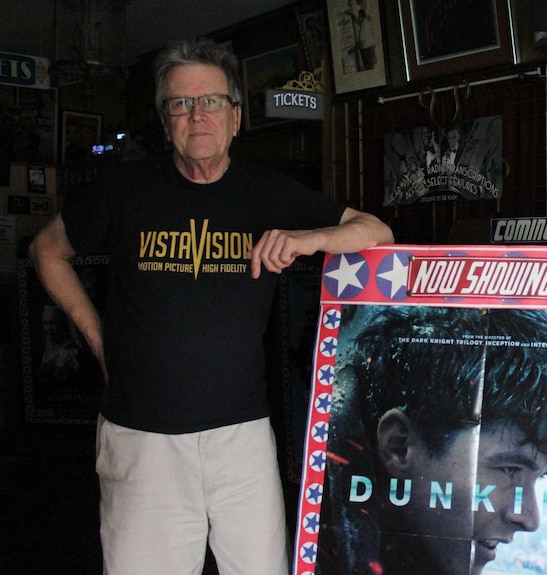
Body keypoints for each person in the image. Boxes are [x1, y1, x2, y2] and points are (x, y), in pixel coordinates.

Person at [28, 38, 393, 574]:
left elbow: (377, 234)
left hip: (240, 440)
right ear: (165, 119)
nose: (197, 114)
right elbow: (46, 252)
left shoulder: (267, 192)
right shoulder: (124, 188)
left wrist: (307, 238)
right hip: (141, 438)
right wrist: (101, 339)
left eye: (212, 101)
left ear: (236, 116)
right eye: (181, 104)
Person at [317, 306, 547, 575]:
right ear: (399, 445)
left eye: (539, 478)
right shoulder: (310, 542)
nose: (530, 519)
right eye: (509, 469)